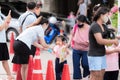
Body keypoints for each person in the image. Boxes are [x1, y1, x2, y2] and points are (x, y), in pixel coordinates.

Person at [88, 7, 119, 80]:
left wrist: (115, 36)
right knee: (95, 76)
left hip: (102, 54)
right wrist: (113, 41)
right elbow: (100, 40)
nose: (108, 17)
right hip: (95, 55)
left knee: (101, 75)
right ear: (101, 15)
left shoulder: (104, 26)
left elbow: (111, 35)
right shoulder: (95, 26)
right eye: (107, 15)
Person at [68, 15, 90, 80]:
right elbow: (71, 35)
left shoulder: (89, 28)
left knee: (85, 64)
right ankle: (77, 78)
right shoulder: (76, 26)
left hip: (86, 49)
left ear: (84, 22)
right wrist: (68, 43)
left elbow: (92, 37)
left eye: (80, 22)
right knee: (76, 64)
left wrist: (89, 41)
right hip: (76, 49)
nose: (78, 24)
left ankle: (86, 76)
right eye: (77, 22)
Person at [0, 10, 14, 80]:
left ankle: (9, 75)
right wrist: (6, 20)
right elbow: (0, 28)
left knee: (4, 59)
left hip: (2, 41)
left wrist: (8, 21)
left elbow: (4, 29)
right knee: (4, 60)